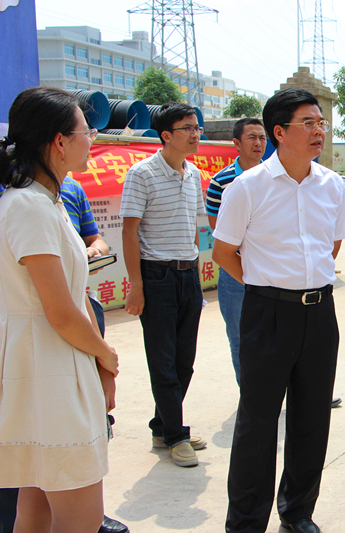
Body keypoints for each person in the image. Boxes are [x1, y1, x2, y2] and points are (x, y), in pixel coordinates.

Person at [214, 88, 345, 533]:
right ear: (279, 132)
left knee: (312, 418)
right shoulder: (247, 187)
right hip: (268, 314)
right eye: (308, 123)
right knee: (257, 423)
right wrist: (267, 283)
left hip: (320, 313)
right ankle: (245, 522)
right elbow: (223, 253)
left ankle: (297, 511)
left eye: (321, 123)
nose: (319, 131)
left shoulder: (332, 185)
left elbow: (332, 245)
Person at [0, 86, 119, 533]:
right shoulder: (29, 206)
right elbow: (60, 311)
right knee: (79, 518)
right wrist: (106, 355)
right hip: (48, 372)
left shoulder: (47, 200)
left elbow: (73, 293)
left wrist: (98, 361)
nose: (92, 140)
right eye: (86, 131)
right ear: (59, 141)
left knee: (37, 509)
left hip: (51, 364)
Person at [120, 102, 207, 467]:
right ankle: (175, 435)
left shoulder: (194, 174)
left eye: (197, 127)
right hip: (156, 276)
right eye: (188, 128)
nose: (195, 134)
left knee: (185, 361)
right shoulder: (141, 174)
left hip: (188, 274)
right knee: (164, 361)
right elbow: (129, 231)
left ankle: (162, 425)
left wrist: (197, 265)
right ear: (166, 135)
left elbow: (197, 226)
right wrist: (136, 284)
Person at [206, 117, 267, 386]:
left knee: (278, 335)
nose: (258, 143)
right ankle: (250, 396)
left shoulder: (277, 176)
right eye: (252, 137)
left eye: (262, 137)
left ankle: (291, 394)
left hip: (271, 270)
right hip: (234, 273)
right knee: (240, 338)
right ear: (236, 143)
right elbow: (218, 231)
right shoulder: (221, 182)